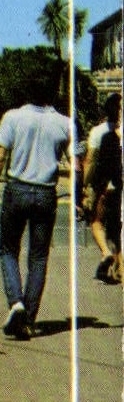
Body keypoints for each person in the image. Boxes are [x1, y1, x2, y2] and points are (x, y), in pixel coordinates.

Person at [0, 69, 85, 338]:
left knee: (8, 249)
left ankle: (16, 302)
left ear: (27, 93)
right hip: (46, 193)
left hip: (17, 189)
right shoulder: (64, 123)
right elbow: (78, 165)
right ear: (52, 95)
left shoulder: (13, 117)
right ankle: (28, 316)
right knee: (38, 257)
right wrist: (79, 195)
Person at [82, 93, 121, 282]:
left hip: (104, 186)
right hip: (120, 185)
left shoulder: (97, 132)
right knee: (117, 228)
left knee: (96, 220)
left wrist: (85, 184)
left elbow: (90, 161)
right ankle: (117, 264)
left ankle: (106, 253)